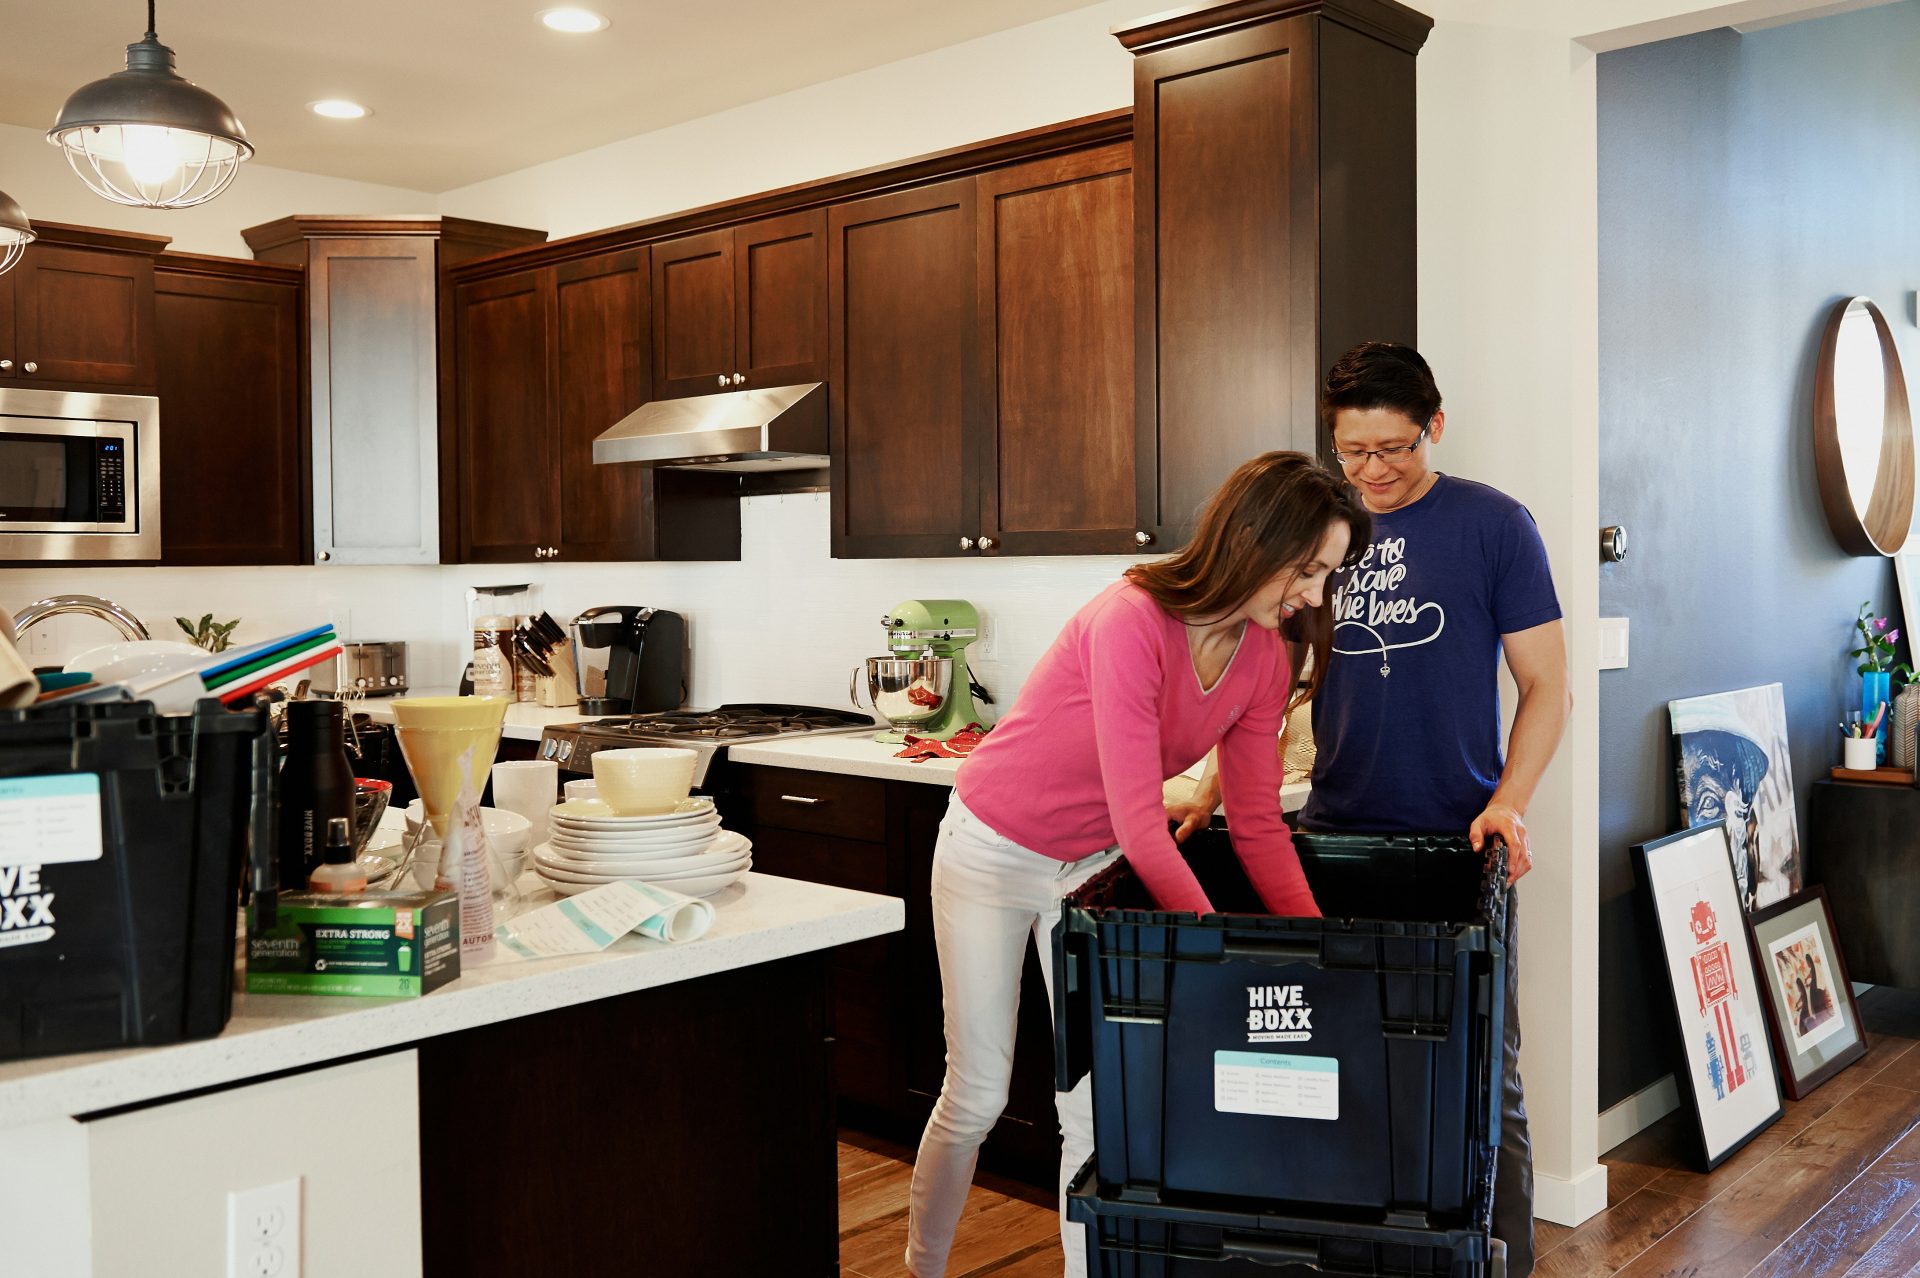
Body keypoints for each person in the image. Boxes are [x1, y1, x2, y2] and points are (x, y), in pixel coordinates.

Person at [904, 452, 1369, 1278]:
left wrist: (1318, 951)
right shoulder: (1131, 619)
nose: (1314, 595)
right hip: (991, 848)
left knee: (1097, 1107)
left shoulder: (1266, 658)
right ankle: (923, 1266)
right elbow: (1142, 824)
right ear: (1255, 539)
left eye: (1328, 576)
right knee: (976, 1095)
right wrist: (1218, 954)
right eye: (1310, 569)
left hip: (1093, 869)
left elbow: (1258, 824)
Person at [1170, 343, 1570, 1277]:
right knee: (1333, 1067)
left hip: (1455, 847)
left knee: (1481, 1080)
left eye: (1392, 447)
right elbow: (1270, 683)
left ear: (1435, 426)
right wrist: (1213, 787)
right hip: (1332, 841)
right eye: (1352, 452)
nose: (1372, 472)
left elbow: (1547, 687)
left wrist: (1509, 803)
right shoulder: (1318, 529)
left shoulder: (1493, 525)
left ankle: (1496, 1263)